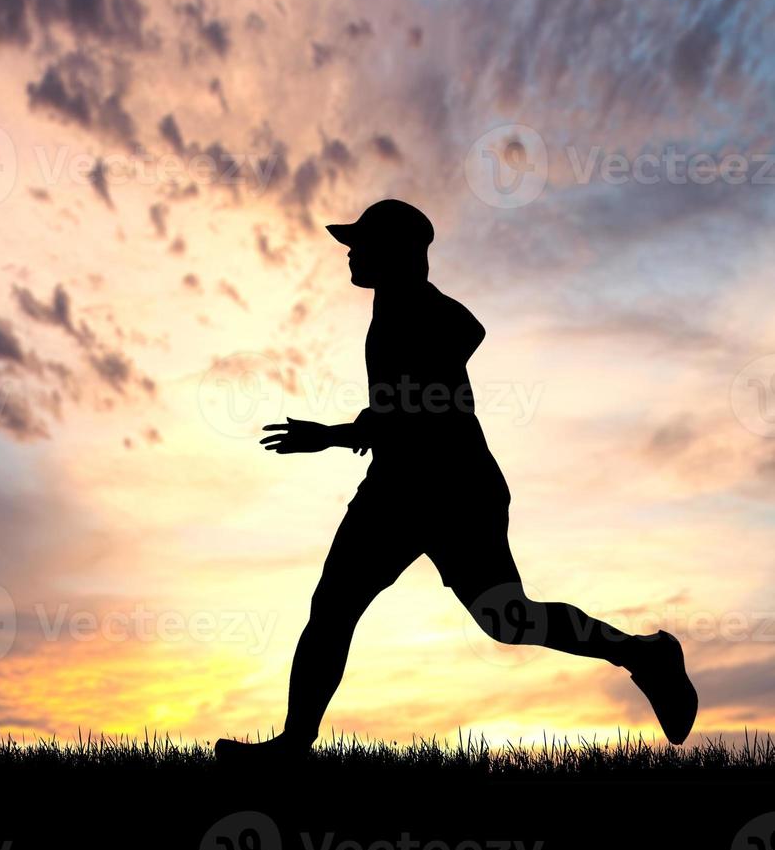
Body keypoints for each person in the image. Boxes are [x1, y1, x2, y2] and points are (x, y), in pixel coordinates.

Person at [216, 199, 697, 763]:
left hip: (454, 491)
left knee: (507, 621)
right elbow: (403, 405)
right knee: (335, 606)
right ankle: (296, 743)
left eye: (361, 243)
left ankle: (645, 655)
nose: (349, 252)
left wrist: (334, 434)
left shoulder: (421, 308)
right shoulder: (391, 308)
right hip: (397, 487)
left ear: (396, 252)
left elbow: (457, 344)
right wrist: (364, 426)